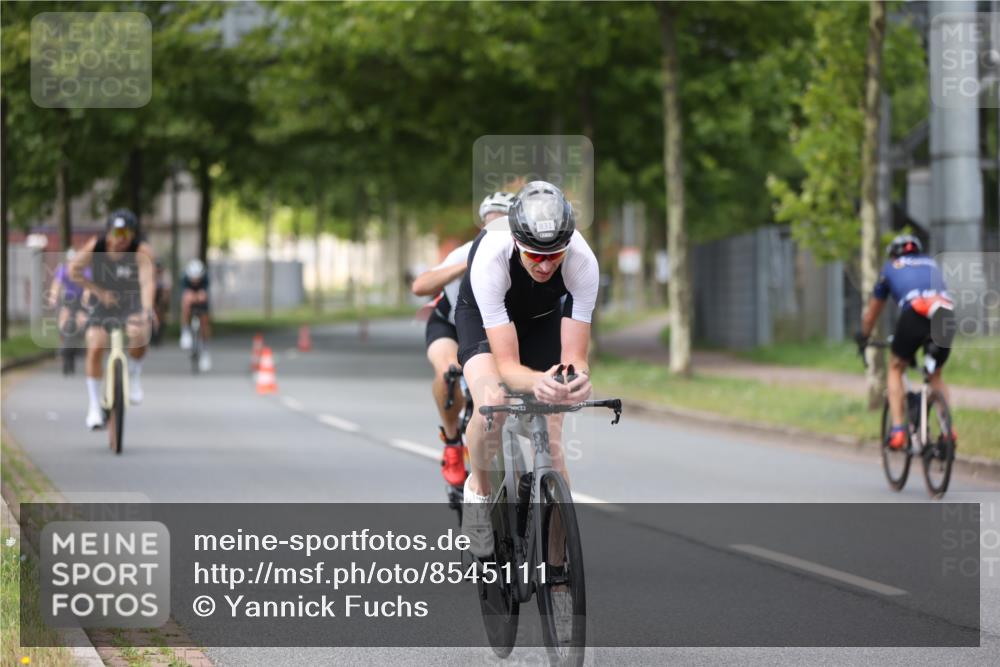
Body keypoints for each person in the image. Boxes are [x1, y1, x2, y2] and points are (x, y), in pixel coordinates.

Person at [455, 181, 598, 556]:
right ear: (516, 241)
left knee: (553, 439)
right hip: (482, 317)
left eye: (555, 255)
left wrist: (576, 380)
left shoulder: (583, 262)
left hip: (540, 318)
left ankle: (558, 568)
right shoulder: (492, 257)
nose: (546, 265)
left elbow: (576, 357)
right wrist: (538, 381)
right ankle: (478, 491)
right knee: (492, 401)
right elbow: (506, 366)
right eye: (535, 255)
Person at [411, 192, 515, 489]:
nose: (495, 229)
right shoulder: (468, 251)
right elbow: (420, 286)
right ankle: (453, 440)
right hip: (450, 324)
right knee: (449, 372)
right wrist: (467, 264)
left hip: (491, 328)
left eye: (503, 222)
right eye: (490, 223)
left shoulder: (520, 252)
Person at [857, 233, 956, 450]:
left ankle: (898, 431)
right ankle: (948, 432)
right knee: (935, 374)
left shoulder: (890, 267)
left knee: (895, 367)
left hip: (916, 312)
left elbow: (872, 313)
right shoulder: (931, 263)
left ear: (893, 254)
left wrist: (863, 336)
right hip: (945, 313)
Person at [70, 209, 157, 430]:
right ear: (108, 232)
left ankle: (134, 375)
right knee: (96, 345)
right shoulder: (96, 246)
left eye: (126, 234)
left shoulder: (141, 251)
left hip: (131, 301)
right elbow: (73, 270)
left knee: (140, 331)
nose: (121, 239)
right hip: (102, 302)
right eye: (117, 233)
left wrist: (147, 309)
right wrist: (98, 292)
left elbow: (147, 282)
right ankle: (94, 405)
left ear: (133, 234)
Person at [47, 248, 91, 374]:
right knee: (63, 320)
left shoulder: (86, 271)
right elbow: (56, 284)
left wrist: (86, 299)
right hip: (68, 300)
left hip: (81, 301)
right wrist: (53, 297)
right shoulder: (63, 270)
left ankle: (78, 344)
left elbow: (88, 288)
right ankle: (63, 344)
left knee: (81, 322)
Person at [179, 258, 212, 371]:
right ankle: (185, 331)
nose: (195, 281)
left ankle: (205, 351)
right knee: (185, 303)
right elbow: (185, 295)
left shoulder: (206, 278)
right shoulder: (184, 278)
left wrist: (197, 297)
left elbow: (204, 295)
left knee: (204, 323)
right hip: (189, 300)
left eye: (197, 279)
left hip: (201, 301)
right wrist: (192, 297)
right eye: (193, 279)